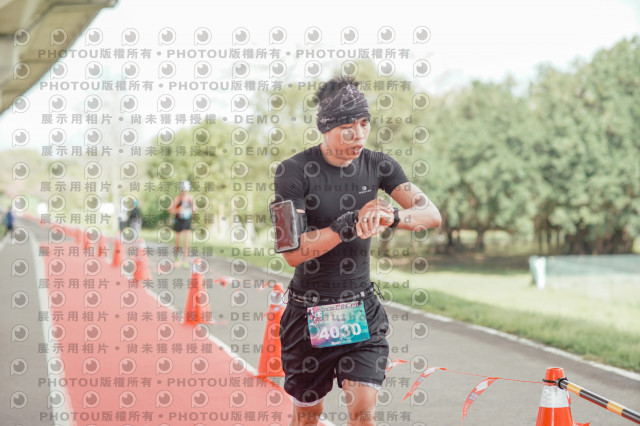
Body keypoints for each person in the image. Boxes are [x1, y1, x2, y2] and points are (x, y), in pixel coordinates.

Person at [271, 77, 442, 426]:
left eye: (364, 123)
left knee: (363, 415)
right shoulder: (292, 171)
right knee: (308, 417)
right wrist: (346, 224)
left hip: (361, 311)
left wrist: (392, 216)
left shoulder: (380, 165)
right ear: (326, 128)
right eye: (347, 127)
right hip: (308, 315)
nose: (359, 135)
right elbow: (292, 252)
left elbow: (431, 214)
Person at [170, 180, 196, 265]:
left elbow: (195, 209)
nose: (184, 191)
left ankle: (185, 259)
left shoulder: (190, 198)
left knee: (187, 240)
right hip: (178, 220)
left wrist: (193, 209)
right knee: (178, 240)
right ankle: (177, 256)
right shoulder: (177, 198)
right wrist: (178, 209)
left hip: (187, 220)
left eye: (186, 190)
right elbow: (170, 210)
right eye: (183, 190)